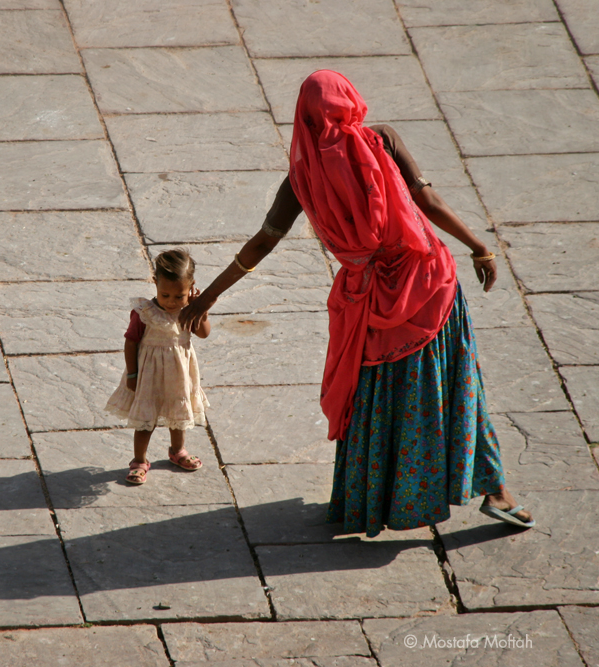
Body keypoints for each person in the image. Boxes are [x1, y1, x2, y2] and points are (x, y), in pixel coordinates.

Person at [179, 70, 534, 535]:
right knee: (456, 389)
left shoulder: (301, 179)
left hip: (366, 304)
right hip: (428, 287)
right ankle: (495, 491)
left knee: (375, 401)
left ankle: (370, 500)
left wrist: (207, 296)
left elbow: (262, 243)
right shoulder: (380, 140)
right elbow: (427, 200)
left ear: (303, 119)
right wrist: (479, 247)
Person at [106, 248, 212, 485]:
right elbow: (131, 342)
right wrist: (131, 374)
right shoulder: (145, 313)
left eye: (179, 296)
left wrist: (200, 309)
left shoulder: (189, 310)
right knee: (146, 419)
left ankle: (178, 451)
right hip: (148, 375)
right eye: (165, 295)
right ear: (155, 283)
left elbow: (203, 333)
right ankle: (139, 461)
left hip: (179, 375)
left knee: (178, 412)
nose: (172, 302)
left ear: (191, 287)